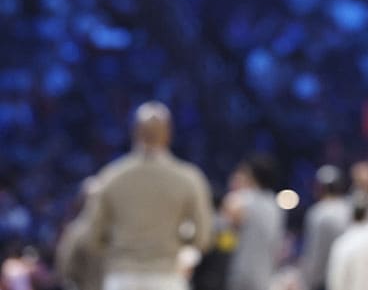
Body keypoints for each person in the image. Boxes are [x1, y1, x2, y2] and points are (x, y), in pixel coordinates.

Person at [83, 101, 213, 290]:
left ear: (135, 131)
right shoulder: (189, 179)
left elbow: (92, 237)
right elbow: (203, 237)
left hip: (122, 277)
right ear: (169, 133)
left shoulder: (111, 177)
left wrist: (119, 249)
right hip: (167, 277)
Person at [223, 154, 285, 290]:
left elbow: (224, 233)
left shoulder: (240, 200)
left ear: (251, 175)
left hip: (240, 273)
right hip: (265, 275)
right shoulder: (276, 206)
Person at [299, 166, 353, 290]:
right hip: (345, 275)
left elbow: (314, 252)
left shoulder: (318, 213)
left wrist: (306, 281)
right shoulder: (348, 208)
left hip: (323, 279)